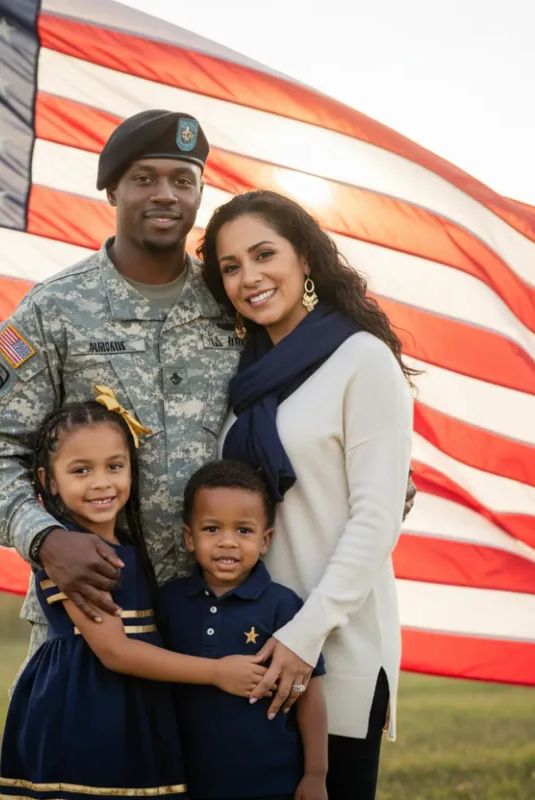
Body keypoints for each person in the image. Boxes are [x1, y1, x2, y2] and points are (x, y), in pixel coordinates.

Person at [0, 109, 243, 661]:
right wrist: (46, 540)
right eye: (144, 179)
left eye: (183, 180)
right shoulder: (53, 310)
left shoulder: (234, 304)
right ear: (112, 192)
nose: (166, 194)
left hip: (220, 612)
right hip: (93, 614)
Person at [197, 189, 420, 799]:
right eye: (231, 267)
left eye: (264, 254)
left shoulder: (361, 360)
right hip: (251, 653)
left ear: (305, 258)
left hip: (334, 648)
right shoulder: (243, 377)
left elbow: (376, 518)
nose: (250, 277)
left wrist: (304, 635)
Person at [0, 393, 271, 799]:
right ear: (48, 481)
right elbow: (116, 653)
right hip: (88, 710)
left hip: (129, 704)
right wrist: (217, 672)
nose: (101, 482)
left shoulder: (122, 543)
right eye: (80, 470)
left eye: (114, 466)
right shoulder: (73, 554)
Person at [160, 459, 328, 800]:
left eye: (243, 530)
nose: (227, 542)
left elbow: (310, 694)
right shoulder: (167, 602)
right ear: (189, 538)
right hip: (183, 782)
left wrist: (315, 774)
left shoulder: (283, 604)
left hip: (271, 784)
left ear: (265, 540)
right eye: (211, 529)